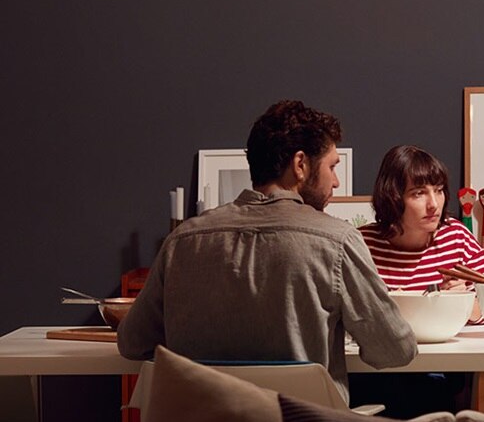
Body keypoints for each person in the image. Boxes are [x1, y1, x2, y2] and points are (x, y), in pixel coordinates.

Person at [117, 100, 417, 405]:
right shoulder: (338, 241)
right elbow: (395, 349)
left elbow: (131, 343)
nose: (336, 181)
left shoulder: (182, 241)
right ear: (300, 165)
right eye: (332, 166)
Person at [349, 145, 484, 417]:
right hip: (376, 367)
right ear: (393, 198)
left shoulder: (456, 237)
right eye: (418, 193)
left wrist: (462, 303)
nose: (434, 204)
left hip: (437, 368)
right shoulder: (361, 244)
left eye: (438, 190)